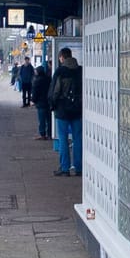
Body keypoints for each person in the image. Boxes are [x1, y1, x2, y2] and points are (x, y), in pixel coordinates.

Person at [49, 47, 82, 176]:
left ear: (62, 57)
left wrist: (52, 104)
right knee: (78, 139)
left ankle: (65, 168)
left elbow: (55, 91)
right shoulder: (80, 71)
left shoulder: (60, 71)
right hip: (77, 109)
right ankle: (79, 168)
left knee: (62, 139)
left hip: (62, 110)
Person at [31, 63, 52, 140]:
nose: (35, 72)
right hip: (48, 102)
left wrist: (33, 100)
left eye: (36, 71)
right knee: (49, 119)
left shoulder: (37, 81)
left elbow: (35, 92)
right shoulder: (49, 79)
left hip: (40, 103)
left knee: (41, 119)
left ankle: (42, 134)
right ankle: (50, 134)